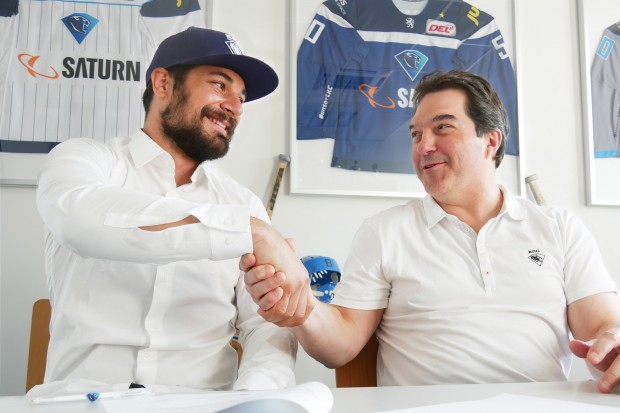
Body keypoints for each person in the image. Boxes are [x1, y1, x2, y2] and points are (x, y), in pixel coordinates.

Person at [241, 70, 620, 393]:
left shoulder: (559, 227)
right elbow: (340, 346)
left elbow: (603, 327)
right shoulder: (385, 231)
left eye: (442, 128)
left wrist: (614, 345)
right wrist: (300, 309)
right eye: (416, 134)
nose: (425, 146)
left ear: (491, 141)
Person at [35, 27, 298, 392]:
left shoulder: (244, 204)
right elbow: (80, 221)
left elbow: (267, 326)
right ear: (162, 84)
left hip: (203, 407)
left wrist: (253, 396)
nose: (235, 107)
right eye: (220, 85)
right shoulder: (84, 160)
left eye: (242, 97)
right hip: (82, 402)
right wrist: (244, 230)